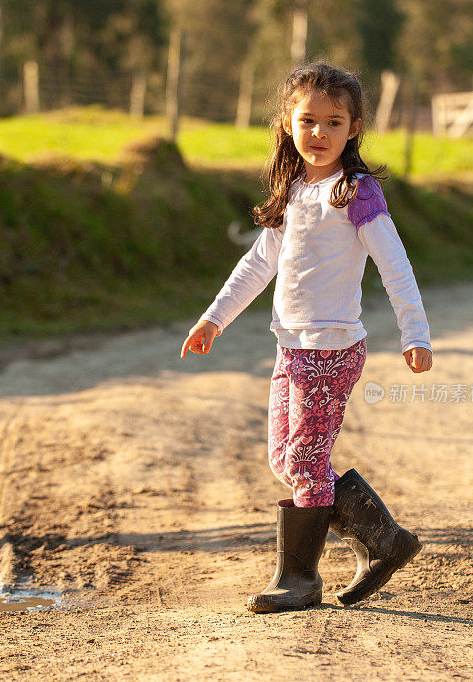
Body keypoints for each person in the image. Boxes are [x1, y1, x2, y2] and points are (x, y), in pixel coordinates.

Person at [180, 61, 433, 614]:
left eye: (334, 122)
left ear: (355, 128)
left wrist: (415, 332)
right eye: (308, 121)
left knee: (304, 458)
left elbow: (396, 266)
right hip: (290, 346)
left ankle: (299, 579)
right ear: (288, 124)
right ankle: (386, 540)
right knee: (287, 459)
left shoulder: (355, 193)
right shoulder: (294, 191)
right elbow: (257, 264)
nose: (319, 134)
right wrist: (214, 318)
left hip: (332, 348)